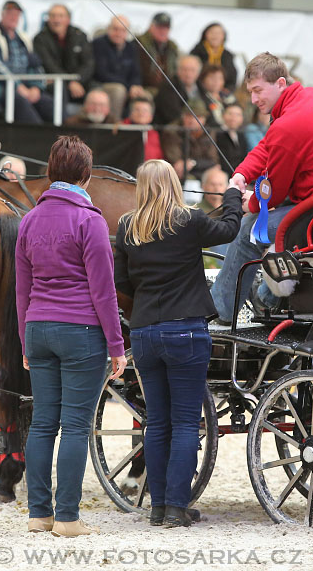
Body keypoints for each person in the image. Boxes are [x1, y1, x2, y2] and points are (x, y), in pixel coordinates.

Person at [114, 159, 242, 527]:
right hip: (185, 329)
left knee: (156, 422)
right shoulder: (188, 220)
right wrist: (233, 193)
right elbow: (231, 229)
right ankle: (175, 506)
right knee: (186, 423)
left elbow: (122, 282)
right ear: (173, 184)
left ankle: (157, 508)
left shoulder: (127, 227)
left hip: (144, 334)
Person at [210, 53, 313, 322]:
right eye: (250, 92)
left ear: (280, 83)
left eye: (257, 90)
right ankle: (266, 298)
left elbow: (273, 193)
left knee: (249, 230)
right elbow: (268, 145)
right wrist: (242, 173)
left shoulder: (288, 124)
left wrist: (250, 203)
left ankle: (222, 312)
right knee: (272, 220)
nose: (253, 99)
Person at [16, 135, 126, 538]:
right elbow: (103, 290)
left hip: (38, 328)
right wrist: (116, 346)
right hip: (81, 331)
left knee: (44, 423)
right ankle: (67, 518)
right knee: (76, 426)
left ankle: (38, 513)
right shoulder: (89, 220)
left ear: (50, 172)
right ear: (86, 174)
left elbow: (21, 289)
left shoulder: (29, 219)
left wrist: (25, 338)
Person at [0, 0, 54, 124]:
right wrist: (18, 86)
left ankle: (62, 139)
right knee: (19, 100)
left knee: (49, 103)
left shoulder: (24, 39)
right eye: (10, 14)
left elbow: (35, 65)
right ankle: (38, 136)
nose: (14, 17)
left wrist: (36, 87)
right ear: (2, 15)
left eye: (17, 15)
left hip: (24, 87)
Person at [32, 4, 94, 103]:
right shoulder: (40, 39)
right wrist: (70, 82)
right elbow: (49, 65)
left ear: (68, 19)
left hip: (80, 81)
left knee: (97, 91)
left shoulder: (80, 35)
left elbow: (88, 63)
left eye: (60, 16)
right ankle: (63, 119)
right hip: (56, 82)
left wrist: (77, 81)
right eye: (52, 16)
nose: (56, 20)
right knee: (58, 88)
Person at [92, 15, 147, 119]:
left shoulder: (132, 47)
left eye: (123, 30)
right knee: (119, 90)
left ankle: (139, 130)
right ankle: (114, 125)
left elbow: (136, 72)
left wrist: (135, 85)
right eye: (115, 29)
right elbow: (101, 73)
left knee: (145, 95)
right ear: (108, 29)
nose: (119, 33)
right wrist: (128, 86)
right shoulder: (98, 44)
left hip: (125, 86)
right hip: (101, 85)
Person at [137, 12, 180, 97]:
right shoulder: (139, 44)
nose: (163, 31)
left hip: (167, 88)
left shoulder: (172, 48)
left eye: (166, 28)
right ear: (151, 27)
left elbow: (175, 72)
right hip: (144, 87)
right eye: (159, 27)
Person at [155, 55, 205, 127]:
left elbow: (208, 110)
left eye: (192, 70)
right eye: (185, 70)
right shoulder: (168, 86)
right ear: (178, 70)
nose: (188, 74)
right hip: (174, 129)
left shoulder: (201, 88)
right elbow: (172, 115)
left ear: (198, 72)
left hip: (199, 130)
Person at [190, 23, 238, 90]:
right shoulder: (197, 51)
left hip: (222, 91)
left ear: (223, 36)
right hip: (198, 89)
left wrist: (228, 89)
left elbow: (232, 76)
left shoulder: (227, 55)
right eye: (212, 32)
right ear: (205, 34)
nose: (215, 36)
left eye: (218, 33)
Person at [123, 97, 163, 161]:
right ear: (130, 114)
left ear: (151, 117)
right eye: (137, 110)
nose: (141, 113)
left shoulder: (154, 134)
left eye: (145, 111)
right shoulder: (121, 130)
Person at [215, 104, 249, 171]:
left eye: (237, 115)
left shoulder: (241, 134)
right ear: (223, 115)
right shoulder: (216, 133)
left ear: (242, 119)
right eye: (230, 113)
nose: (234, 117)